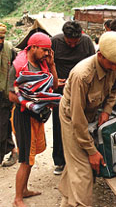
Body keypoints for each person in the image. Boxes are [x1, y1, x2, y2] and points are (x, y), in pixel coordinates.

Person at [58, 31, 116, 207]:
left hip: (91, 113)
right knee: (84, 170)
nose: (115, 68)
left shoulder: (115, 63)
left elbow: (114, 90)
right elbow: (77, 119)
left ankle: (67, 201)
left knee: (76, 162)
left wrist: (106, 111)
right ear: (100, 55)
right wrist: (91, 151)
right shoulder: (82, 75)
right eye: (112, 64)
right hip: (71, 117)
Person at [8, 32, 58, 207]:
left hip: (37, 115)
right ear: (33, 47)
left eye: (48, 51)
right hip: (23, 116)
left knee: (31, 156)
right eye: (44, 50)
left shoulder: (43, 64)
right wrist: (32, 101)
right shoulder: (18, 66)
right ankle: (17, 199)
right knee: (25, 159)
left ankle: (24, 190)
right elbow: (11, 95)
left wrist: (52, 65)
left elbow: (55, 85)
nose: (46, 54)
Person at [51, 21, 95, 175]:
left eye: (75, 43)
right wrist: (54, 80)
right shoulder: (55, 42)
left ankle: (80, 159)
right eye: (69, 42)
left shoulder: (86, 42)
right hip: (60, 92)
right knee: (59, 126)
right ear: (64, 36)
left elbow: (93, 64)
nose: (72, 45)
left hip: (81, 91)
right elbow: (48, 65)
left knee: (81, 124)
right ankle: (60, 161)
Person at [0, 22, 18, 167]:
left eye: (2, 38)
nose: (0, 41)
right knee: (4, 126)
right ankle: (13, 150)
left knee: (2, 125)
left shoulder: (9, 49)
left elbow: (16, 70)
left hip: (5, 94)